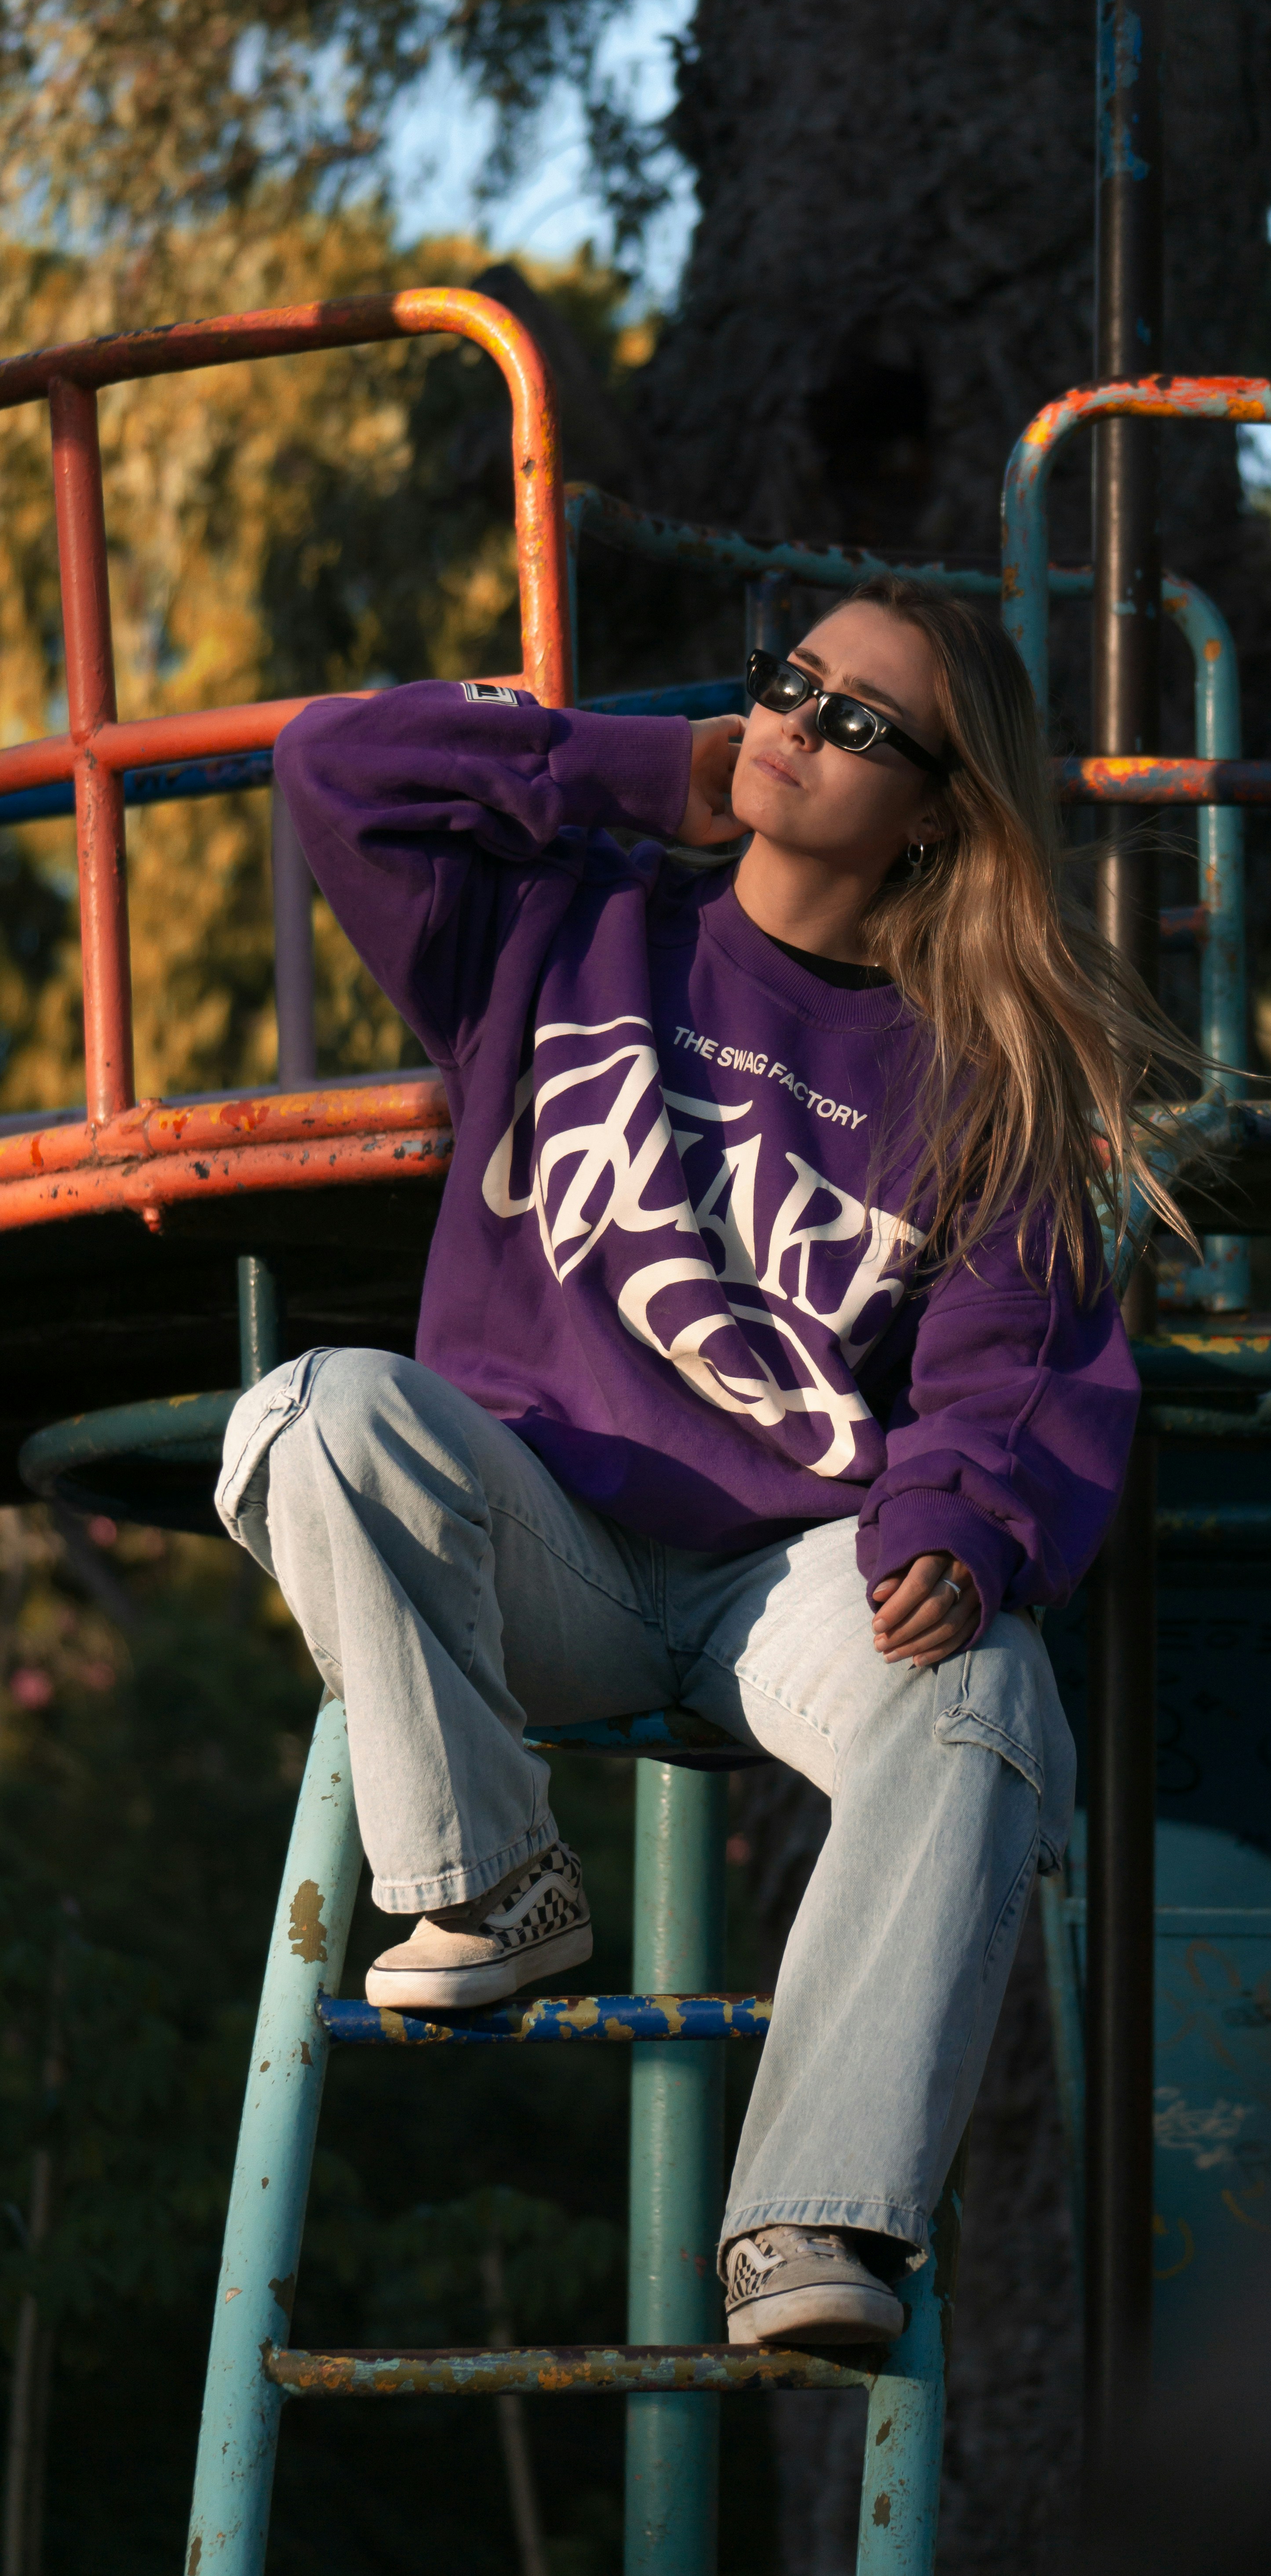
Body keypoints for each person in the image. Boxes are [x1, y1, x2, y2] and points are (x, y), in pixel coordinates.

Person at [217, 578, 1187, 2350]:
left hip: (786, 1581)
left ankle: (812, 2221)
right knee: (308, 1415)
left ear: (937, 814)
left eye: (859, 723)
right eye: (787, 686)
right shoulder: (560, 929)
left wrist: (959, 1528)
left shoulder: (986, 1079)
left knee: (984, 1691)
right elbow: (341, 765)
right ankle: (496, 1880)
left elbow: (1014, 1372)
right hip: (542, 1537)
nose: (801, 729)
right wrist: (651, 765)